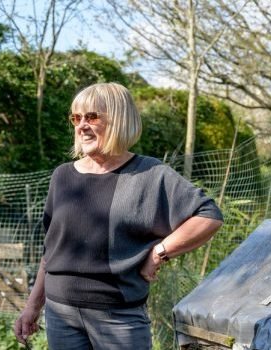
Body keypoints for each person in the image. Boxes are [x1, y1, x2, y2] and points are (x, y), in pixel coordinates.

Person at [13, 82, 223, 349]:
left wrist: (160, 251)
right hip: (60, 314)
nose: (81, 126)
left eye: (91, 116)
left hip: (118, 319)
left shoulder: (150, 174)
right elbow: (51, 251)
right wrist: (33, 306)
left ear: (119, 120)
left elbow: (208, 215)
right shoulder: (63, 176)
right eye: (76, 118)